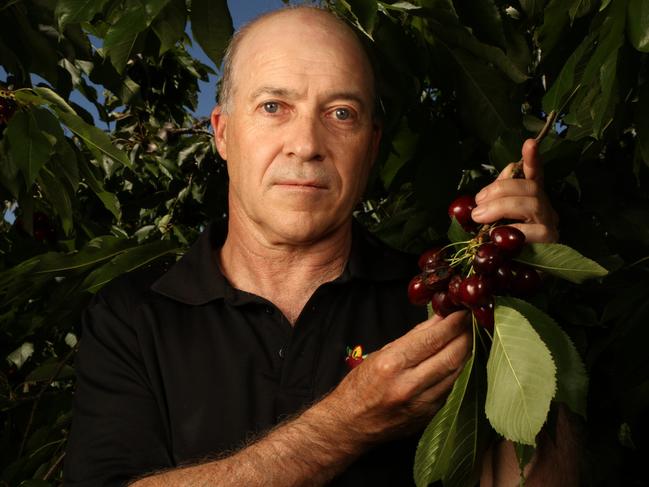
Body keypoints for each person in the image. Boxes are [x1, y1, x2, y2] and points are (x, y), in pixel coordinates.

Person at [64, 6, 575, 486]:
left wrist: (517, 295)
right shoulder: (131, 316)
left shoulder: (440, 302)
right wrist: (348, 422)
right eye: (273, 106)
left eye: (341, 113)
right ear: (222, 133)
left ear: (372, 146)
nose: (306, 144)